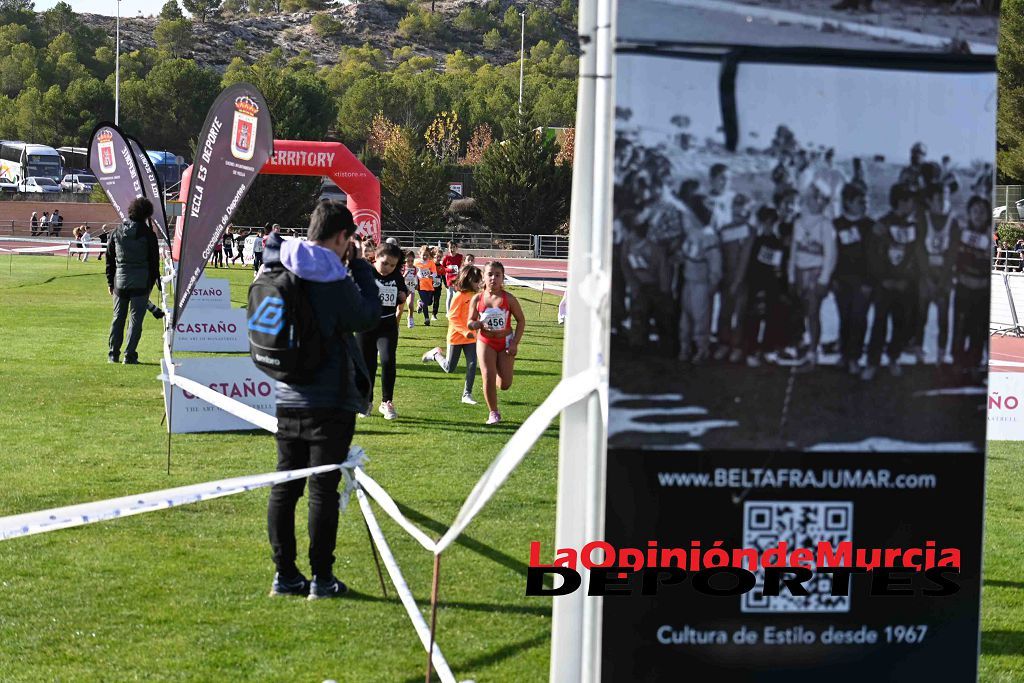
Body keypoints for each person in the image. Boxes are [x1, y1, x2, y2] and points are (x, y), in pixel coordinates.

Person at [265, 201, 381, 600]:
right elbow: (366, 314)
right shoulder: (330, 274)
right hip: (328, 397)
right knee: (321, 490)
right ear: (341, 237)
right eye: (349, 240)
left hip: (286, 391)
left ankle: (285, 574)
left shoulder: (282, 261)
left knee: (285, 485)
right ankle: (322, 578)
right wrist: (362, 266)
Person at [863, 183, 918, 380]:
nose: (913, 205)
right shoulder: (882, 224)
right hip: (884, 286)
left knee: (900, 323)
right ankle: (872, 362)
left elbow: (914, 256)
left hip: (904, 286)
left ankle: (893, 357)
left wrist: (906, 281)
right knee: (879, 323)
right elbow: (874, 257)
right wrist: (884, 280)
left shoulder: (914, 225)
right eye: (911, 201)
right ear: (901, 202)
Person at [468, 261, 525, 424]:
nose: (493, 278)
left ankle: (496, 379)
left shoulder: (509, 299)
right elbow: (470, 321)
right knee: (488, 375)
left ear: (503, 278)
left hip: (505, 342)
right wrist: (475, 324)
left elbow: (521, 321)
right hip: (485, 341)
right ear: (484, 277)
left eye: (497, 275)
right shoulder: (477, 299)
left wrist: (514, 343)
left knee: (505, 384)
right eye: (490, 274)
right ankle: (493, 412)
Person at [788, 180, 837, 367]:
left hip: (815, 272)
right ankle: (801, 346)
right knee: (801, 311)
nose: (816, 201)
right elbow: (793, 251)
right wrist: (792, 276)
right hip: (800, 270)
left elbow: (830, 255)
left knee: (813, 312)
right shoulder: (799, 222)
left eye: (821, 198)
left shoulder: (826, 225)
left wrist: (824, 279)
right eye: (812, 196)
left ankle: (813, 351)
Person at [105, 198, 160, 364]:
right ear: (147, 213)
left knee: (118, 318)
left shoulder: (117, 231)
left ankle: (113, 354)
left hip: (120, 282)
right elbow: (154, 262)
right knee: (135, 321)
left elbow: (109, 258)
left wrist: (110, 281)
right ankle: (129, 355)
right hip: (141, 282)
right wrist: (151, 284)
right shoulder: (149, 235)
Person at [357, 242, 407, 420]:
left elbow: (402, 293)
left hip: (387, 326)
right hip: (366, 326)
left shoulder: (396, 275)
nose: (388, 268)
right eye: (385, 263)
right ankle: (367, 401)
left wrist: (403, 296)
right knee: (367, 365)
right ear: (375, 258)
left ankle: (387, 402)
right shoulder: (365, 273)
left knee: (387, 361)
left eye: (392, 265)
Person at [422, 264, 484, 405]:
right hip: (456, 337)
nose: (478, 284)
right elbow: (452, 317)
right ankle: (435, 355)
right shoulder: (459, 296)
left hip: (470, 337)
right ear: (468, 281)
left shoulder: (477, 296)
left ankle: (467, 394)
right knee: (450, 368)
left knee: (473, 363)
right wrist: (464, 331)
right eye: (476, 281)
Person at [912, 183, 959, 365]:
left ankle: (941, 353)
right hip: (926, 275)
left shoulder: (953, 221)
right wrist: (927, 277)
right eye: (939, 198)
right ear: (930, 201)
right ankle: (918, 350)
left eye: (946, 197)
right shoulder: (923, 219)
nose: (943, 201)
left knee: (943, 317)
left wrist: (942, 280)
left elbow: (953, 254)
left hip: (944, 276)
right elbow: (920, 250)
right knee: (921, 314)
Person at [832, 183, 873, 375]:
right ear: (848, 202)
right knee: (845, 317)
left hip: (863, 282)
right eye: (860, 201)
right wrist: (833, 279)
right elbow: (832, 255)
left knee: (859, 318)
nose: (865, 204)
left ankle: (855, 357)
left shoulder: (870, 226)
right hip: (842, 280)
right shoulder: (836, 224)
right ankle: (844, 354)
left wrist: (869, 282)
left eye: (866, 201)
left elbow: (874, 259)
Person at [952, 196, 991, 375]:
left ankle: (974, 361)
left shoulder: (994, 235)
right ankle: (957, 361)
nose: (978, 215)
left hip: (982, 290)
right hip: (963, 288)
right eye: (975, 211)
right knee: (960, 326)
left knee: (978, 328)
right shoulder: (960, 232)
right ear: (969, 213)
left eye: (982, 212)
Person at [413, 244, 437, 326]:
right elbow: (414, 273)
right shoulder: (416, 263)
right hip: (421, 285)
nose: (425, 256)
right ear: (420, 254)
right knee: (426, 302)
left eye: (427, 255)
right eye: (423, 255)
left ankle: (420, 303)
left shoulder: (431, 263)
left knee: (430, 302)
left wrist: (431, 276)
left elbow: (435, 273)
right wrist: (415, 283)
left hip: (429, 285)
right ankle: (427, 319)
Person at [441, 241, 464, 313]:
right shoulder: (446, 258)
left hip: (458, 280)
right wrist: (449, 269)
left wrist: (460, 271)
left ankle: (457, 310)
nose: (452, 249)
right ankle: (448, 312)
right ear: (448, 248)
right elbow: (443, 268)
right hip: (449, 280)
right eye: (450, 247)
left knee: (458, 296)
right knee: (450, 295)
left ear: (456, 248)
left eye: (454, 247)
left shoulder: (460, 257)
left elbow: (463, 266)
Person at [402, 250, 418, 329]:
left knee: (410, 304)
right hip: (403, 290)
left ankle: (410, 318)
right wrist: (404, 275)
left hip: (411, 289)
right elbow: (399, 279)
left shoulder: (415, 269)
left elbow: (416, 278)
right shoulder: (403, 268)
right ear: (405, 260)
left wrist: (416, 284)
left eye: (412, 261)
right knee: (399, 308)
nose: (410, 263)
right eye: (408, 261)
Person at [431, 247, 444, 320]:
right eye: (437, 257)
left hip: (438, 287)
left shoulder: (442, 267)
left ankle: (434, 314)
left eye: (440, 257)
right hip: (429, 286)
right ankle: (421, 302)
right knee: (429, 301)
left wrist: (446, 284)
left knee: (436, 300)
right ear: (433, 257)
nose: (439, 258)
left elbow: (443, 276)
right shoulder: (430, 265)